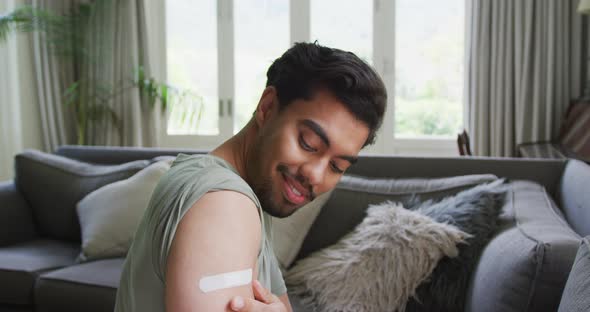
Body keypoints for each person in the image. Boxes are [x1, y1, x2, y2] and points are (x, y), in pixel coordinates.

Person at [114, 42, 387, 312]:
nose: (315, 175)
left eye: (337, 166)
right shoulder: (225, 204)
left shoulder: (241, 192)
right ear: (267, 107)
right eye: (308, 143)